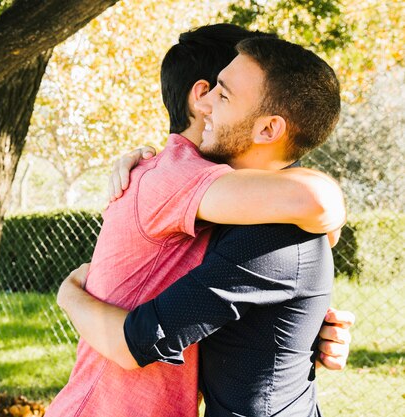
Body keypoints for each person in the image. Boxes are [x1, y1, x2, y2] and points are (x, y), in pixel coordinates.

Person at [49, 26, 353, 417]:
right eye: (212, 90)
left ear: (268, 127)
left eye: (223, 94)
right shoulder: (181, 182)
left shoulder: (259, 218)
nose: (209, 104)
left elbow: (316, 210)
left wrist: (304, 331)